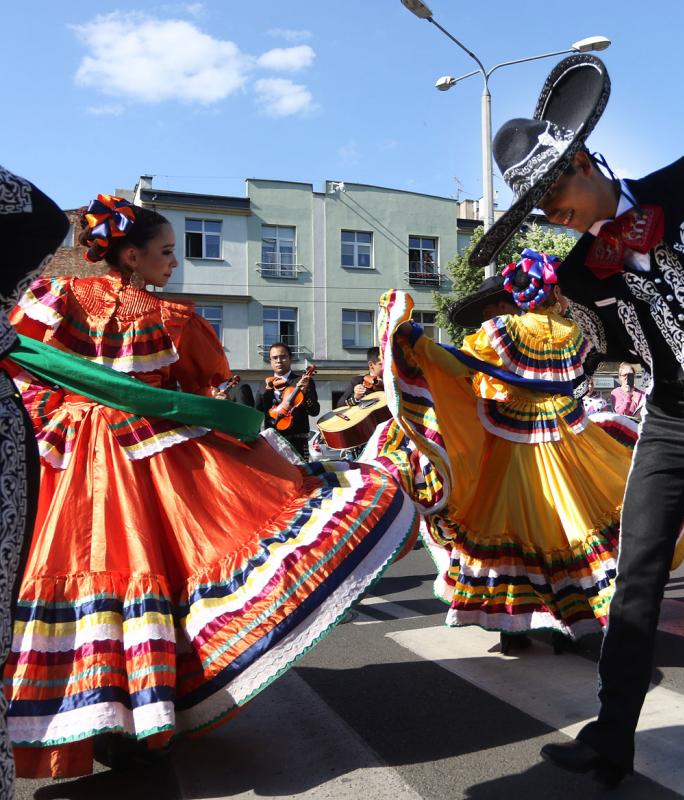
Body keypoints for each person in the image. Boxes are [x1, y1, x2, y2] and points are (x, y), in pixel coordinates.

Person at [4, 194, 416, 777]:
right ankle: (151, 715)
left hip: (69, 458)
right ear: (130, 254)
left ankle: (99, 717)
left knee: (82, 570)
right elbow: (204, 391)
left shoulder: (57, 298)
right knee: (173, 568)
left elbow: (24, 365)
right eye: (167, 252)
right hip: (146, 453)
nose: (174, 263)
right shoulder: (172, 319)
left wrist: (56, 422)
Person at [468, 55, 684, 781]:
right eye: (541, 212)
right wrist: (553, 315)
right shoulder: (577, 265)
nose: (555, 218)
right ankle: (612, 733)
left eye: (555, 199)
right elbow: (604, 347)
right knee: (635, 574)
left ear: (583, 162)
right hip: (670, 417)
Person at [373, 252, 684, 651]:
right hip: (570, 434)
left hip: (515, 441)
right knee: (571, 522)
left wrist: (415, 343)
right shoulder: (574, 332)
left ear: (518, 291)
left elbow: (460, 367)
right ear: (552, 289)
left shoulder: (503, 330)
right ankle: (575, 621)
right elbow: (577, 375)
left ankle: (515, 628)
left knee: (513, 525)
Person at [0, 166, 69, 798]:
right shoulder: (63, 295)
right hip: (87, 434)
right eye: (162, 251)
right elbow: (47, 218)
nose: (172, 263)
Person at [255, 341, 319, 457]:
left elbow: (314, 411)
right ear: (270, 361)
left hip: (297, 442)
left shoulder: (302, 381)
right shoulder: (263, 385)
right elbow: (257, 413)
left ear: (290, 358)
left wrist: (305, 395)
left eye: (283, 356)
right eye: (274, 358)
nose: (278, 361)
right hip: (273, 443)